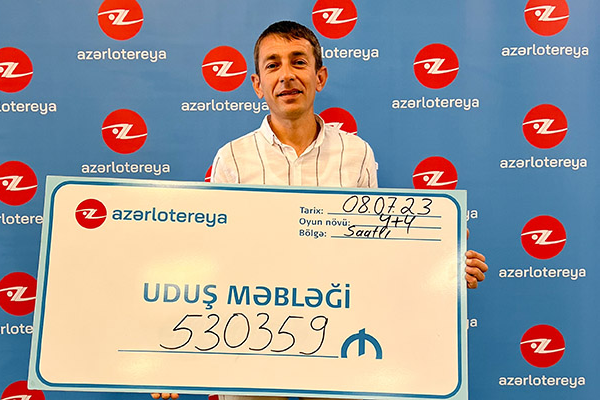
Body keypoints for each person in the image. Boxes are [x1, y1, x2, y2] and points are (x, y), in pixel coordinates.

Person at [152, 20, 487, 400]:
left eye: (299, 61)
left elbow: (377, 250)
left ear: (320, 76)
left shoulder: (356, 153)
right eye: (273, 65)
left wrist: (441, 264)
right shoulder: (232, 158)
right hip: (251, 340)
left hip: (338, 339)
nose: (286, 75)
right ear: (257, 84)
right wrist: (171, 356)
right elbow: (211, 257)